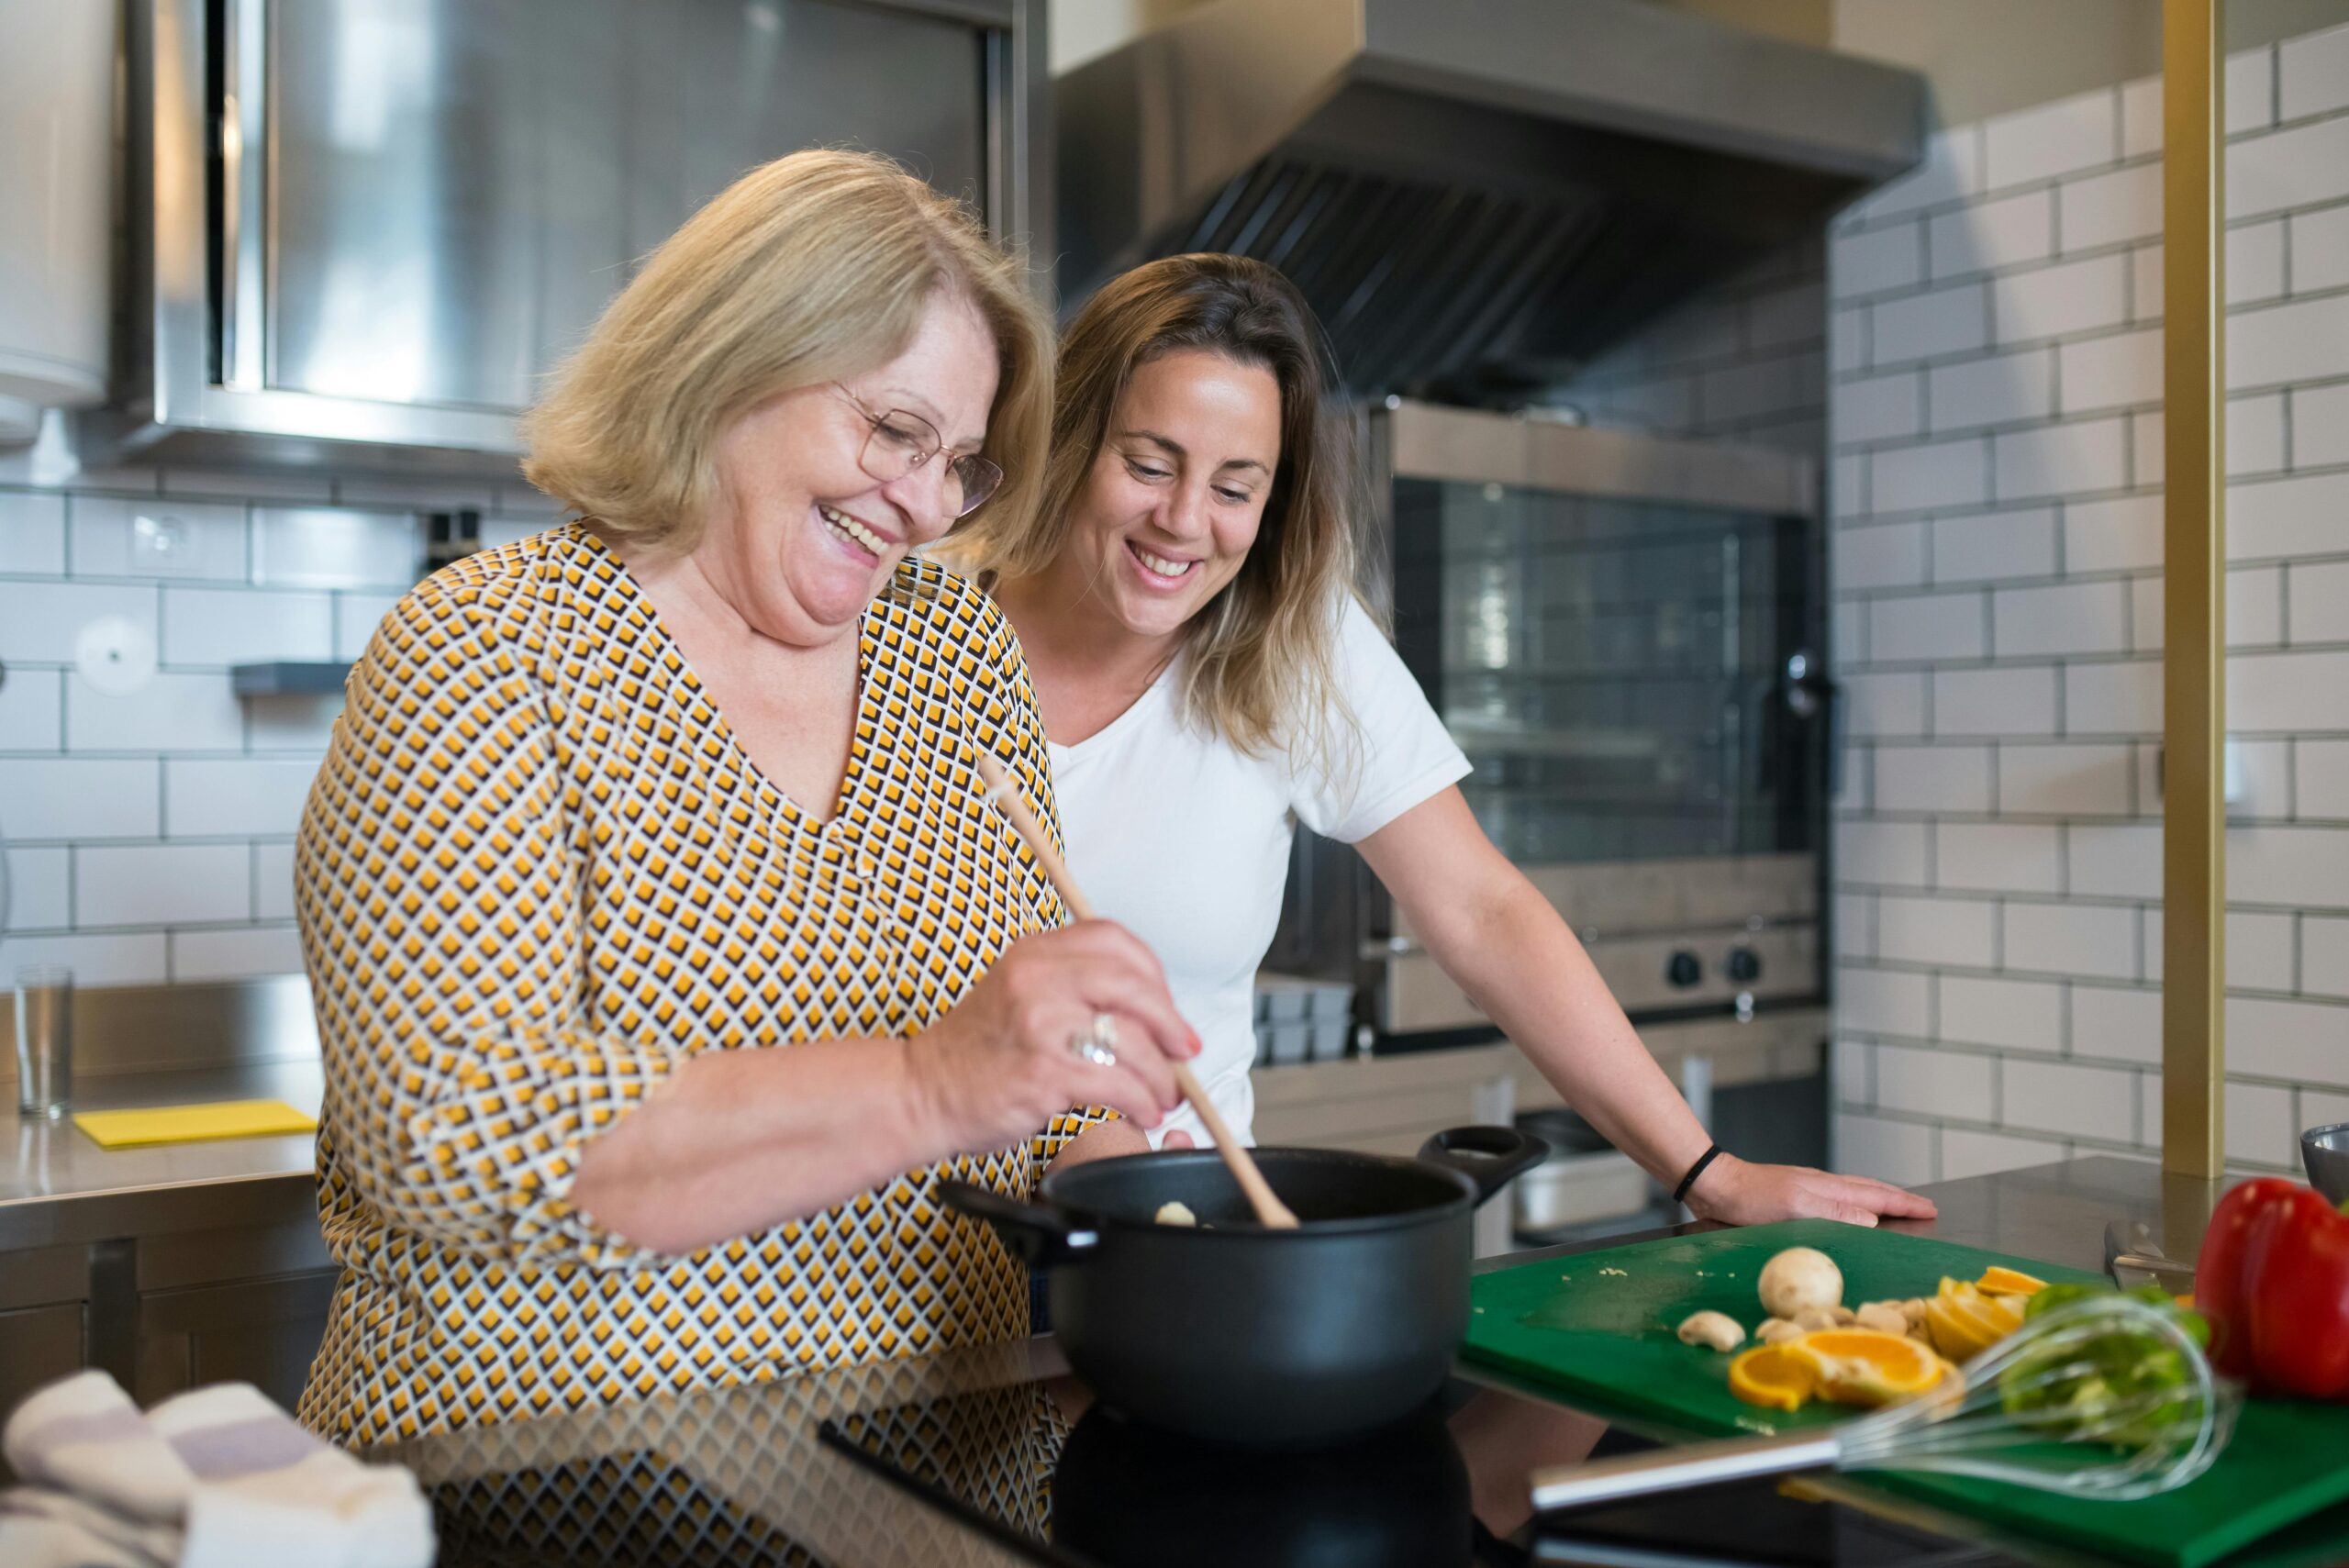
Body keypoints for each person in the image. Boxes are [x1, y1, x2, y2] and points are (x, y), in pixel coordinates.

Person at [293, 150, 1195, 1450]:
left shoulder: (952, 651)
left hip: (933, 1484)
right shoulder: (490, 653)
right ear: (735, 359)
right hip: (552, 1490)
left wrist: (1126, 1180)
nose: (926, 504)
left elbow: (1035, 1076)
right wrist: (932, 1084)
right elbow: (455, 1135)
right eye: (895, 432)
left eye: (960, 464)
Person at [955, 253, 1933, 1227]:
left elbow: (1479, 909)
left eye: (1234, 487)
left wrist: (1707, 1173)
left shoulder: (1295, 640)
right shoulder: (919, 623)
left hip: (1166, 1243)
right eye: (1148, 463)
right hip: (892, 1248)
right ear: (1072, 438)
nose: (1182, 521)